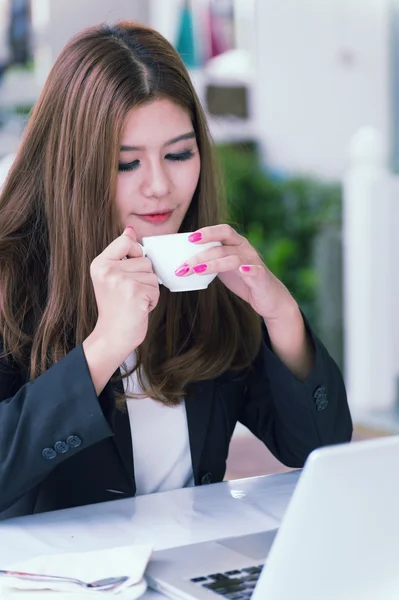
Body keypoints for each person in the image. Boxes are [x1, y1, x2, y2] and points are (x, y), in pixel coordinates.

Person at [0, 21, 352, 519]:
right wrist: (104, 348)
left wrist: (281, 317)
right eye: (127, 164)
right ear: (72, 166)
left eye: (179, 154)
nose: (160, 186)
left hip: (190, 571)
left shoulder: (206, 279)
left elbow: (318, 449)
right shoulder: (11, 274)